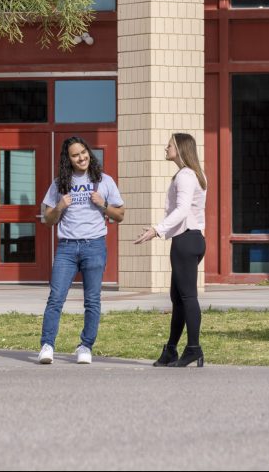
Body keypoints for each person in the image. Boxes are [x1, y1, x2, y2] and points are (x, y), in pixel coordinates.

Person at [38, 136, 125, 365]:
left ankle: (85, 346)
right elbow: (47, 220)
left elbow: (121, 214)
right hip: (67, 247)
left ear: (89, 152)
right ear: (68, 160)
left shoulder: (104, 181)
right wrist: (60, 206)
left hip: (94, 245)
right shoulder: (59, 184)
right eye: (75, 155)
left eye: (83, 152)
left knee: (92, 300)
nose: (81, 158)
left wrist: (103, 205)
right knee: (56, 298)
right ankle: (47, 345)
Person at [134, 133, 207, 367]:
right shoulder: (193, 174)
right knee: (178, 298)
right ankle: (172, 350)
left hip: (186, 241)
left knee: (187, 297)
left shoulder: (185, 176)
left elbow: (183, 210)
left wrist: (157, 229)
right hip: (192, 239)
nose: (166, 148)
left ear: (181, 149)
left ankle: (193, 348)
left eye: (170, 145)